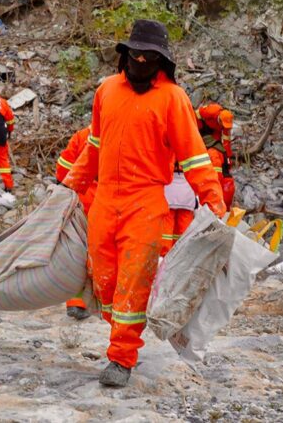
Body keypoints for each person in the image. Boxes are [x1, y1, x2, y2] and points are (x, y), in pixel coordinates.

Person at [63, 19, 226, 387]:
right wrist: (70, 186)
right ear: (125, 54)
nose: (139, 61)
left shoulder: (173, 98)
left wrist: (214, 202)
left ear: (161, 61)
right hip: (105, 199)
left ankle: (121, 357)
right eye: (134, 54)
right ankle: (119, 329)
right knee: (104, 278)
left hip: (146, 201)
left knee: (134, 279)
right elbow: (94, 146)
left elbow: (195, 157)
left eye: (148, 57)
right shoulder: (106, 90)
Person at [55, 125, 97, 320]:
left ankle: (76, 301)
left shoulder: (82, 136)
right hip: (107, 202)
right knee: (100, 252)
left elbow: (63, 168)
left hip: (81, 199)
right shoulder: (120, 132)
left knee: (77, 250)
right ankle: (99, 298)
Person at [196, 103, 236, 209]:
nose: (225, 127)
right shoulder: (212, 110)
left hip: (213, 134)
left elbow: (226, 142)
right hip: (200, 127)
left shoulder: (224, 126)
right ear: (220, 119)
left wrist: (227, 158)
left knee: (216, 152)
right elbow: (195, 114)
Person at [161, 165, 197, 257]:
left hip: (169, 188)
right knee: (184, 229)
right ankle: (182, 255)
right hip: (187, 189)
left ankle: (164, 255)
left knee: (166, 229)